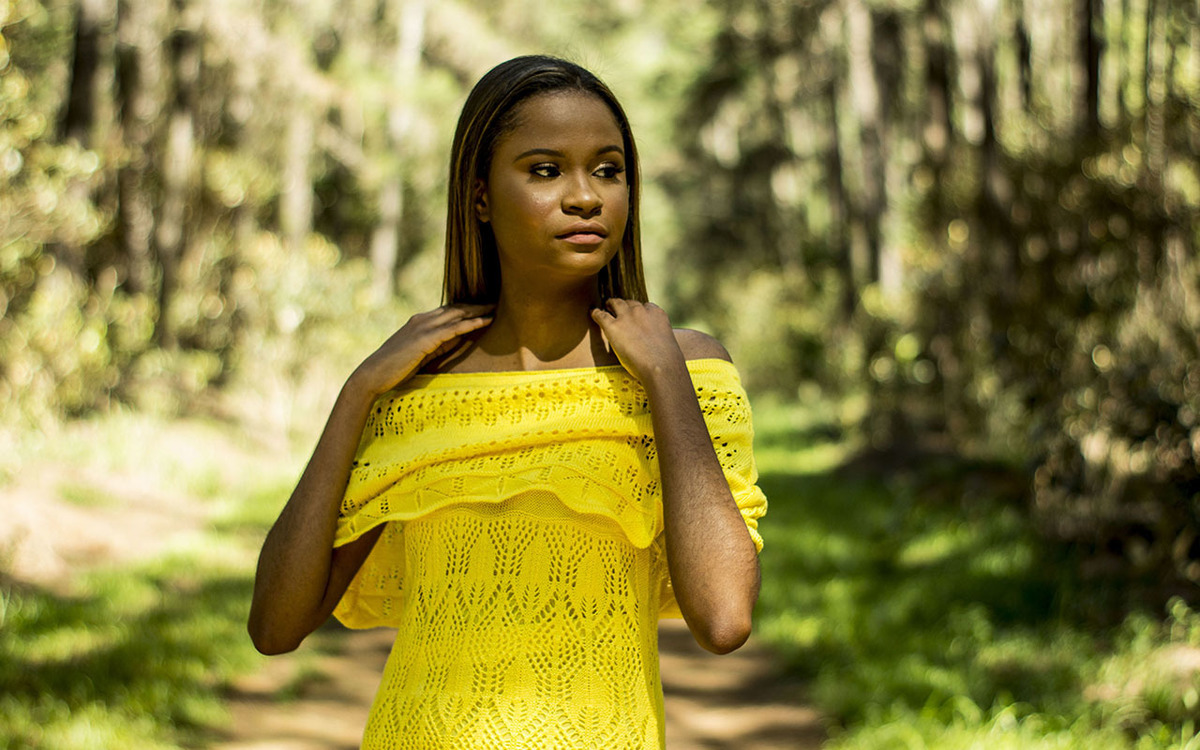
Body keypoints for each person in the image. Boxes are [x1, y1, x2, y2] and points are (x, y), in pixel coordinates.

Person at [247, 54, 766, 749]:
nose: (585, 196)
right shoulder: (416, 387)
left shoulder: (686, 372)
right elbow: (276, 626)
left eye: (608, 170)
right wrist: (358, 393)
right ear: (482, 196)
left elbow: (726, 618)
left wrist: (667, 378)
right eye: (545, 170)